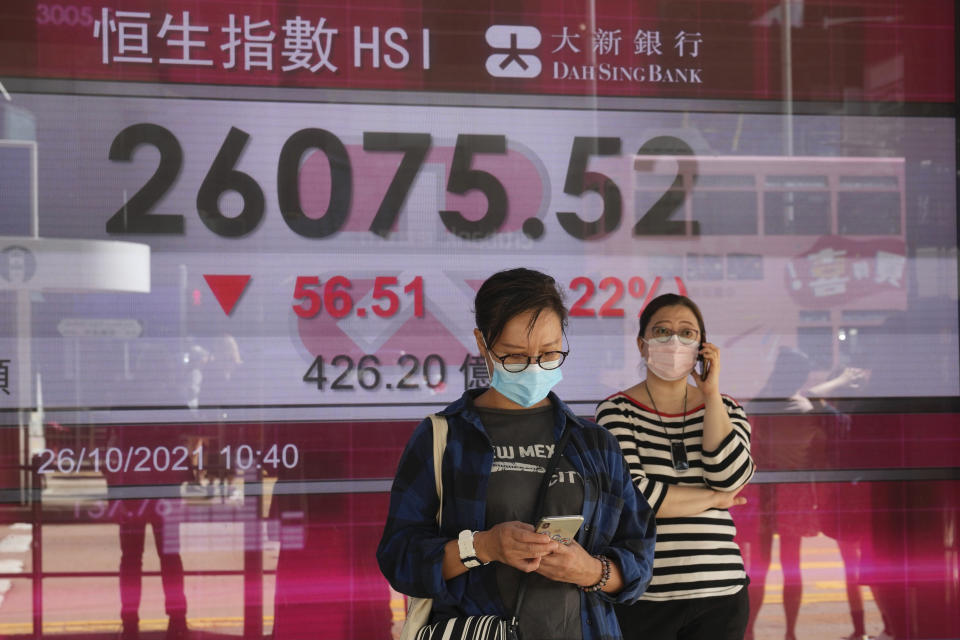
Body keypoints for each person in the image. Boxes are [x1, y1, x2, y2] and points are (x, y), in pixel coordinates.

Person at [377, 268, 656, 640]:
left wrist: (589, 570)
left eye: (549, 353)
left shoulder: (594, 444)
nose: (534, 367)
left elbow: (639, 556)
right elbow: (399, 559)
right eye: (514, 356)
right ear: (482, 343)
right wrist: (483, 546)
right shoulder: (444, 437)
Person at [595, 293, 754, 640]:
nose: (674, 341)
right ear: (642, 344)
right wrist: (713, 500)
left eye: (687, 333)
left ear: (702, 346)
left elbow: (730, 476)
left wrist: (711, 395)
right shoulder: (616, 411)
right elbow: (638, 498)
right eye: (662, 331)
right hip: (645, 593)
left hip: (721, 591)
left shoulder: (727, 408)